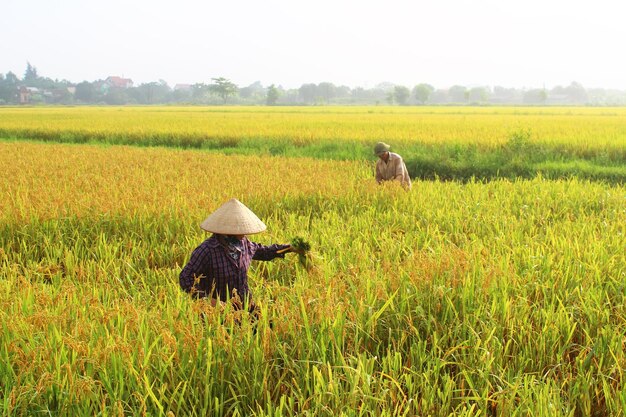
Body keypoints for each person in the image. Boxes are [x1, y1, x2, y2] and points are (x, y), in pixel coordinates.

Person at [179, 198, 300, 314]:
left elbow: (263, 251)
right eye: (240, 230)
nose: (244, 234)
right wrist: (208, 301)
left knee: (266, 327)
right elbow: (186, 277)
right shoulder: (207, 250)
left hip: (245, 305)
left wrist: (289, 248)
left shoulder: (244, 244)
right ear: (228, 230)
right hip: (217, 314)